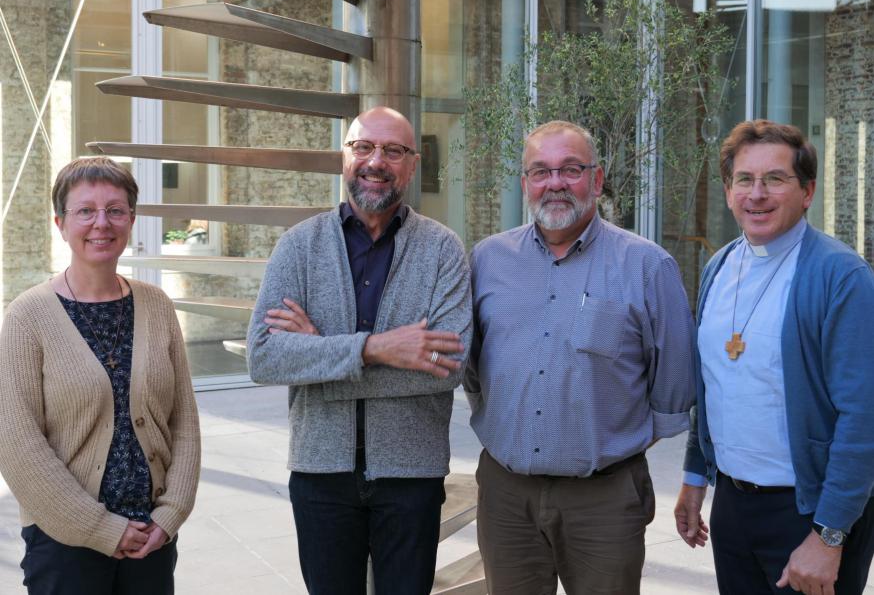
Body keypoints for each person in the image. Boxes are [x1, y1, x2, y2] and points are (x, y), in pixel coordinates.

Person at [247, 106, 472, 595]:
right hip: (319, 472)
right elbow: (264, 356)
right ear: (344, 158)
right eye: (364, 147)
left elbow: (447, 366)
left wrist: (319, 357)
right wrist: (377, 348)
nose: (377, 161)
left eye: (393, 151)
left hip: (411, 475)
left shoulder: (443, 250)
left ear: (412, 165)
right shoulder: (298, 247)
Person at [464, 120, 696, 595]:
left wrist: (606, 445)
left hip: (605, 500)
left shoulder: (647, 266)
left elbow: (673, 386)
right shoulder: (487, 260)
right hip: (506, 497)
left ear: (597, 177)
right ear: (524, 182)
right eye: (540, 171)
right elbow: (473, 371)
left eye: (571, 169)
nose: (555, 183)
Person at [674, 120, 874, 595]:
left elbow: (863, 416)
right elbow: (714, 387)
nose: (757, 194)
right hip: (735, 508)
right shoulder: (718, 267)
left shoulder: (841, 277)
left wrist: (829, 535)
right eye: (744, 179)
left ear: (807, 191)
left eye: (775, 179)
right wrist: (694, 475)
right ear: (728, 191)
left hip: (809, 513)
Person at [0, 157, 201, 595]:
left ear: (132, 219)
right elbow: (17, 443)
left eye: (115, 210)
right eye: (85, 210)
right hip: (64, 542)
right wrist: (99, 529)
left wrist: (170, 515)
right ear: (60, 222)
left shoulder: (157, 305)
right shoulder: (27, 316)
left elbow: (183, 421)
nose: (101, 223)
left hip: (151, 540)